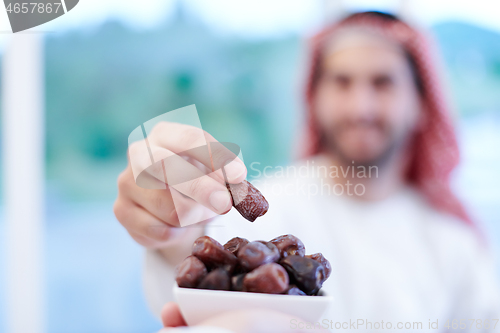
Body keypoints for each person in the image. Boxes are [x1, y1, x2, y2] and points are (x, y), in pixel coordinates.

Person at [114, 11, 500, 332]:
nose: (360, 107)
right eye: (342, 82)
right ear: (313, 98)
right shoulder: (273, 211)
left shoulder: (455, 241)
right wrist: (171, 228)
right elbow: (192, 277)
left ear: (420, 103)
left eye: (383, 83)